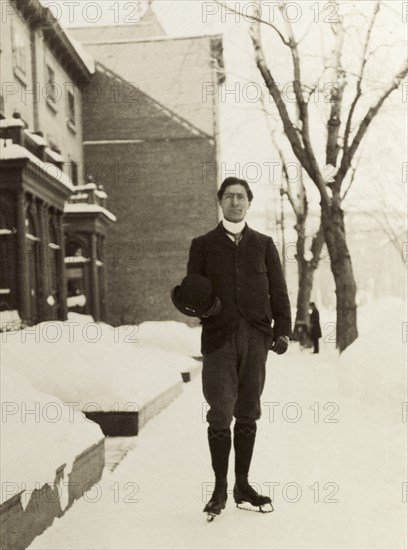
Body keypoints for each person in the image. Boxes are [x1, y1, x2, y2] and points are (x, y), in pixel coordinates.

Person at [185, 176, 292, 518]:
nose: (235, 202)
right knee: (219, 411)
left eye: (241, 197)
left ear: (249, 202)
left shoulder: (263, 244)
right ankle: (219, 488)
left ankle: (242, 485)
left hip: (257, 338)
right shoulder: (202, 245)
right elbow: (192, 294)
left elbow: (279, 290)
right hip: (218, 340)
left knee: (248, 409)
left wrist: (283, 329)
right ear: (220, 202)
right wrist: (206, 309)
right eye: (229, 196)